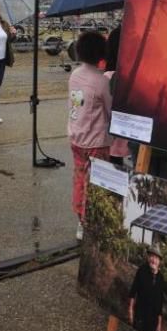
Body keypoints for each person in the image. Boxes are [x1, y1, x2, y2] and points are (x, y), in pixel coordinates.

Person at [67, 31, 111, 238]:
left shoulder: (75, 74)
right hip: (96, 141)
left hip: (76, 137)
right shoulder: (101, 81)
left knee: (79, 179)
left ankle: (80, 221)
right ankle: (90, 222)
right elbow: (110, 111)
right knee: (95, 184)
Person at [128, 243, 166, 331]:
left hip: (152, 323)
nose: (153, 259)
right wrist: (130, 311)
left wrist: (159, 325)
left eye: (156, 258)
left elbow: (160, 303)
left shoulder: (161, 278)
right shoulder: (142, 271)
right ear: (148, 257)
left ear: (159, 261)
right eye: (151, 256)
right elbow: (133, 291)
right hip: (140, 317)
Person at [103, 27, 129, 166]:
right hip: (132, 138)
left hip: (111, 140)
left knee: (114, 167)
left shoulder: (107, 78)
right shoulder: (134, 77)